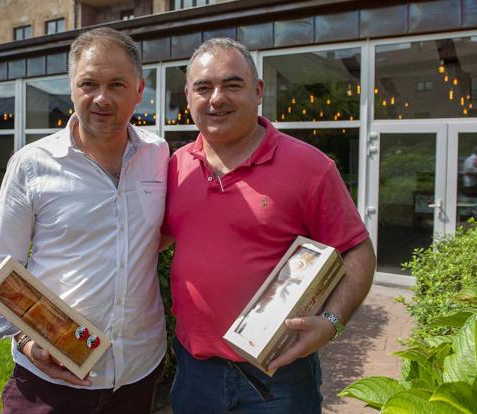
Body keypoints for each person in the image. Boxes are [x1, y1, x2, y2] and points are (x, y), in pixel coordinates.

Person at [161, 38, 376, 413]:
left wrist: (330, 323)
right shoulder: (173, 167)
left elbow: (357, 250)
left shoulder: (309, 167)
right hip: (194, 373)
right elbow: (152, 242)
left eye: (232, 85)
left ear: (258, 91)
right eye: (203, 87)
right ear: (188, 96)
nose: (216, 99)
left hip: (280, 377)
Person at [0, 27, 169, 414]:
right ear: (71, 87)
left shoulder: (159, 154)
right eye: (88, 83)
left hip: (138, 371)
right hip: (50, 380)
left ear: (139, 89)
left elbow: (160, 231)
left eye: (117, 84)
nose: (101, 98)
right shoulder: (32, 164)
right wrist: (28, 340)